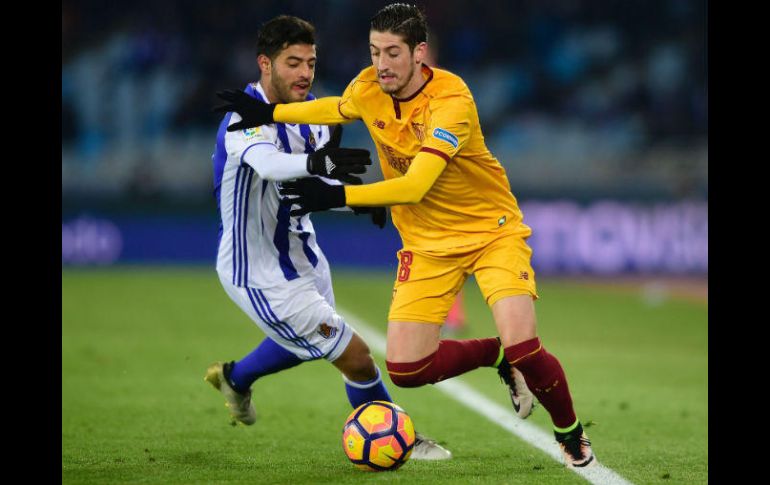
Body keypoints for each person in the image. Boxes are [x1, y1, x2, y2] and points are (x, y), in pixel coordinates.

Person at [216, 4, 595, 469]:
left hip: (489, 232)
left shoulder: (451, 102)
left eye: (392, 53)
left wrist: (342, 198)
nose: (381, 64)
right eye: (374, 52)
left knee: (524, 343)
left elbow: (415, 185)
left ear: (419, 54)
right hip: (425, 242)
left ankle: (570, 433)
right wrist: (270, 110)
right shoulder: (369, 86)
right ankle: (496, 357)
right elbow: (336, 107)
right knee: (406, 369)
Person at [206, 14, 451, 460]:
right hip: (258, 270)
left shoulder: (312, 116)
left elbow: (309, 192)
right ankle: (402, 441)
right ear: (265, 64)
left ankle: (236, 378)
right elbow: (271, 166)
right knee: (354, 355)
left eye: (310, 63)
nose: (304, 73)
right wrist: (320, 165)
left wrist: (360, 201)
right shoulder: (243, 118)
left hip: (304, 255)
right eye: (292, 62)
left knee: (308, 344)